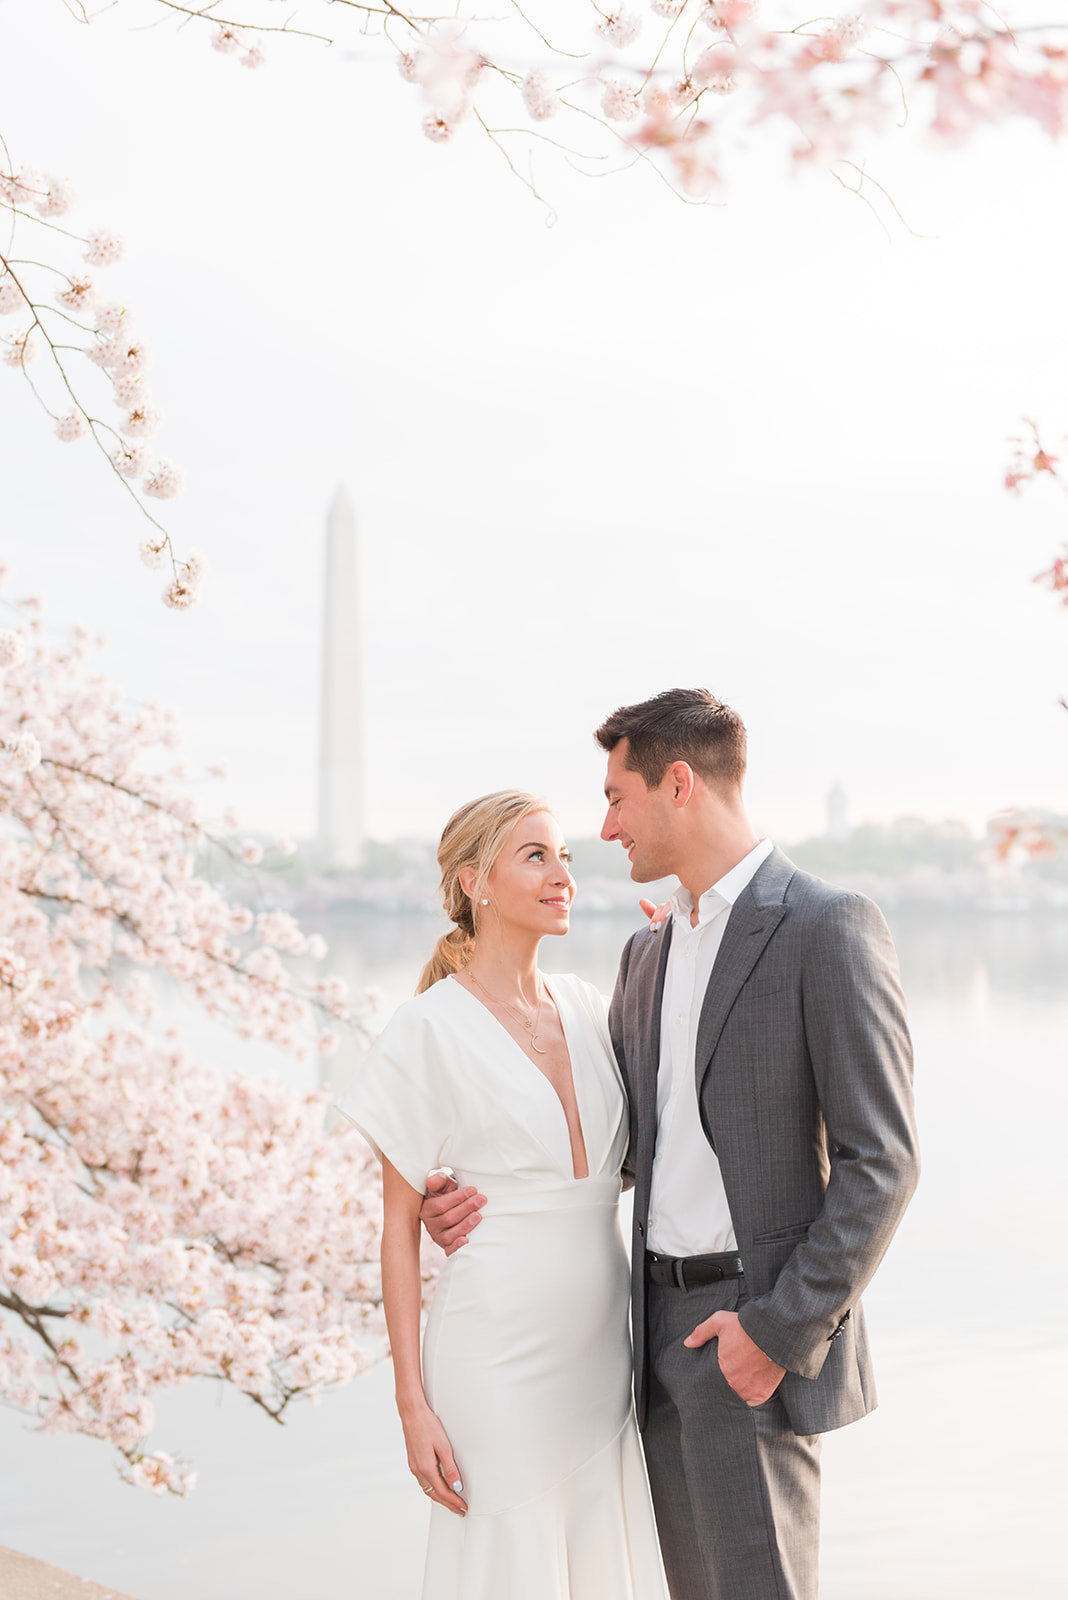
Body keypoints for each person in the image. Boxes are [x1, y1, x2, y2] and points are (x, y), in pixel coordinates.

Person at [422, 689, 920, 1600]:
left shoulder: (826, 927)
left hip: (752, 1330)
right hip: (645, 1335)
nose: (606, 826)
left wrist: (776, 1331)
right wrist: (479, 1189)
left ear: (677, 784)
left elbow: (882, 1162)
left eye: (617, 797)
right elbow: (625, 1146)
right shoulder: (647, 956)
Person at [335, 790, 669, 1600]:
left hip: (601, 1355)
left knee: (596, 1558)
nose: (564, 876)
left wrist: (685, 947)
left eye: (566, 859)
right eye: (536, 856)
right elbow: (397, 1234)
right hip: (494, 1357)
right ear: (472, 881)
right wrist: (412, 1405)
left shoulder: (592, 1009)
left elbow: (629, 1158)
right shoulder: (427, 1030)